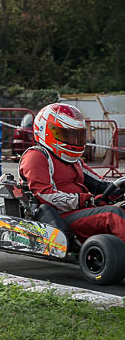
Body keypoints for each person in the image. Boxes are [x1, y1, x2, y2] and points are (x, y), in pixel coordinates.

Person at [18, 102, 125, 241]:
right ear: (45, 130)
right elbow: (45, 195)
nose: (73, 140)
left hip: (79, 212)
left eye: (77, 135)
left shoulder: (74, 161)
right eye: (65, 134)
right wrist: (86, 201)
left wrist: (118, 190)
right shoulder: (37, 156)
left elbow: (99, 183)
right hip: (56, 217)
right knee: (113, 215)